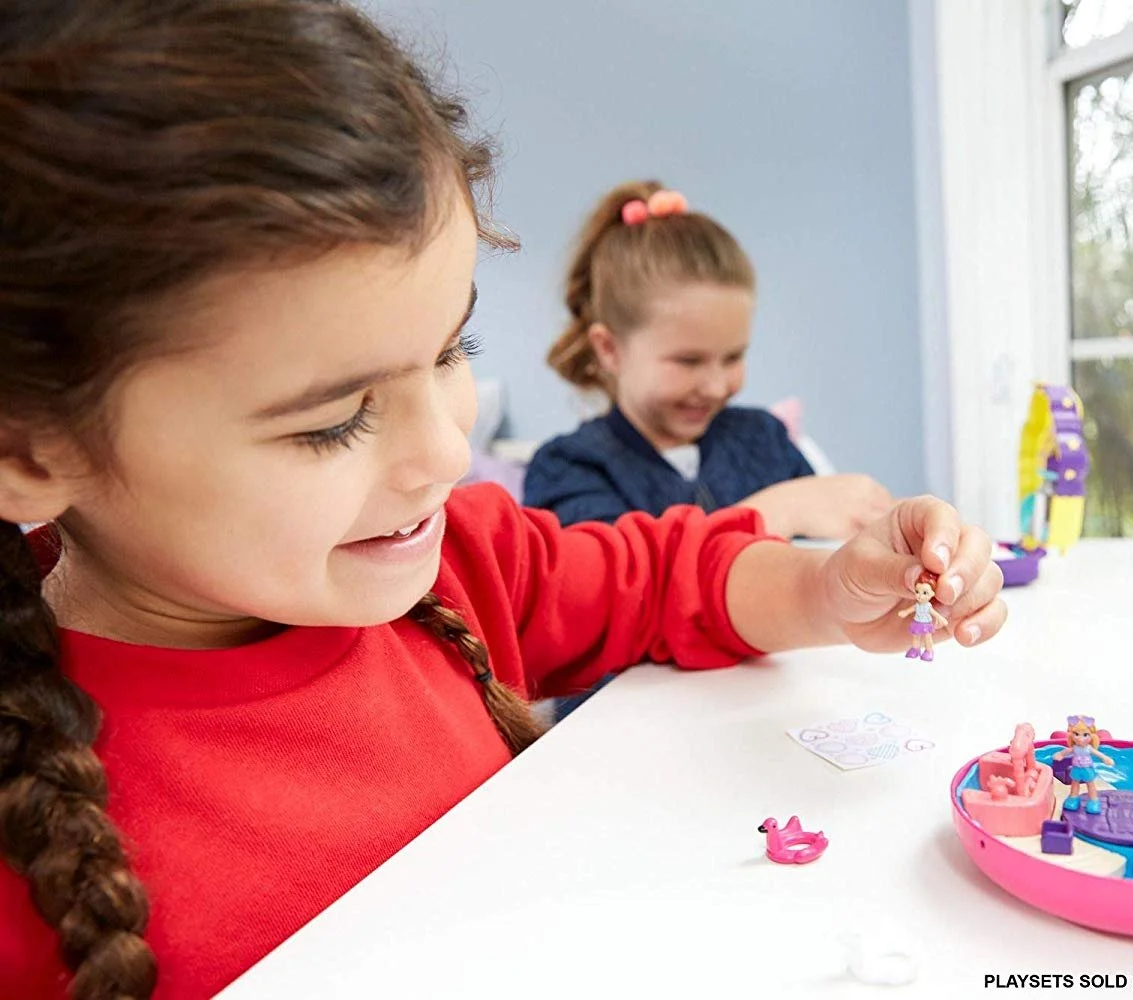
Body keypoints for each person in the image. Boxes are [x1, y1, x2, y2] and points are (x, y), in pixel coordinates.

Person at [0, 4, 1008, 998]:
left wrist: (828, 588)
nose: (447, 451)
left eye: (454, 351)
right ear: (29, 450)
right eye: (335, 419)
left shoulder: (463, 565)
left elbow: (666, 574)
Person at [524, 180, 895, 540]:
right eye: (689, 361)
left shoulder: (765, 441)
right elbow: (613, 578)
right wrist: (779, 511)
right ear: (609, 349)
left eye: (733, 357)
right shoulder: (570, 468)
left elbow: (826, 555)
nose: (717, 387)